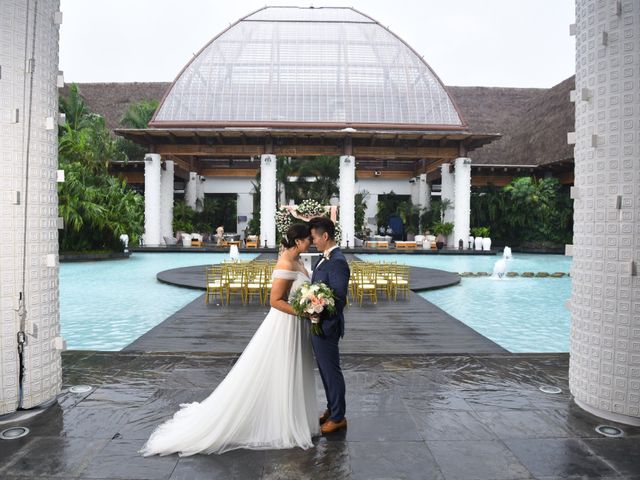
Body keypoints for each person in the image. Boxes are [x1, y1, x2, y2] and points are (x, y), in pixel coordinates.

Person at [140, 224, 318, 456]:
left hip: (298, 326)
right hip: (285, 325)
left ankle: (293, 416)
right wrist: (303, 313)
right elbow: (275, 301)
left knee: (292, 371)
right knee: (280, 370)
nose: (311, 243)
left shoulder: (299, 261)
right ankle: (282, 422)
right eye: (308, 240)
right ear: (298, 242)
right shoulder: (285, 262)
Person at [308, 216, 350, 434]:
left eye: (315, 237)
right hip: (318, 323)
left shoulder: (337, 261)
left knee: (331, 371)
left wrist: (317, 306)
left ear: (325, 236)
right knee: (325, 371)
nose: (313, 241)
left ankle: (338, 416)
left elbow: (339, 297)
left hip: (327, 325)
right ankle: (332, 408)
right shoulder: (324, 258)